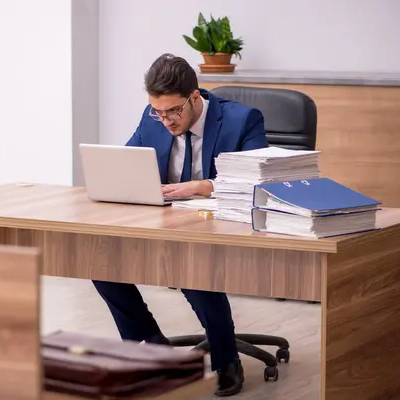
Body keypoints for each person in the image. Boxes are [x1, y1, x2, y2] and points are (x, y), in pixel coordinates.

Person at [92, 53, 268, 397]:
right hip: (166, 221)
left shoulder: (242, 120)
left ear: (194, 97)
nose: (166, 120)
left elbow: (260, 180)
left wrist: (203, 186)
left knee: (190, 263)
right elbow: (127, 164)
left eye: (174, 111)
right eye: (158, 112)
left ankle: (225, 358)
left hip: (222, 224)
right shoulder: (152, 118)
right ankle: (150, 347)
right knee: (99, 259)